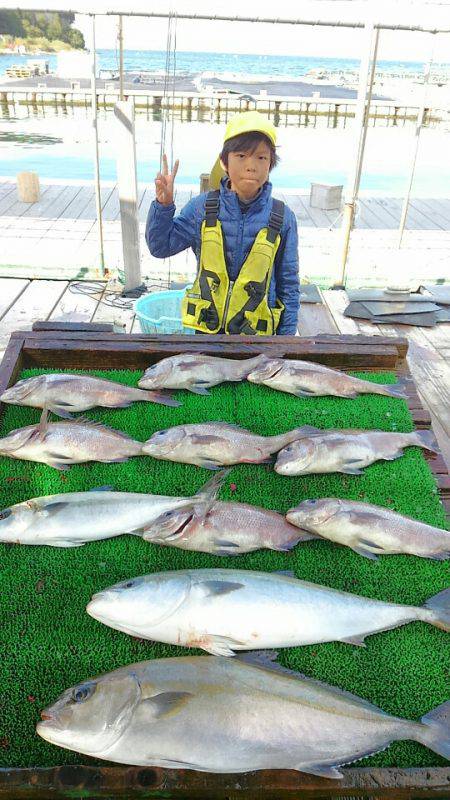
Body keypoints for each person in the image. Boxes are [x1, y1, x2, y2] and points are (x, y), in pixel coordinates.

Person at [145, 110, 300, 335]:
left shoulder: (283, 217)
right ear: (224, 162)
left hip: (257, 339)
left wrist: (285, 342)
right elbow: (160, 247)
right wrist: (163, 206)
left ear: (270, 164)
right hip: (207, 334)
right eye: (241, 156)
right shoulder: (201, 208)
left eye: (261, 157)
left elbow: (289, 285)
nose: (251, 166)